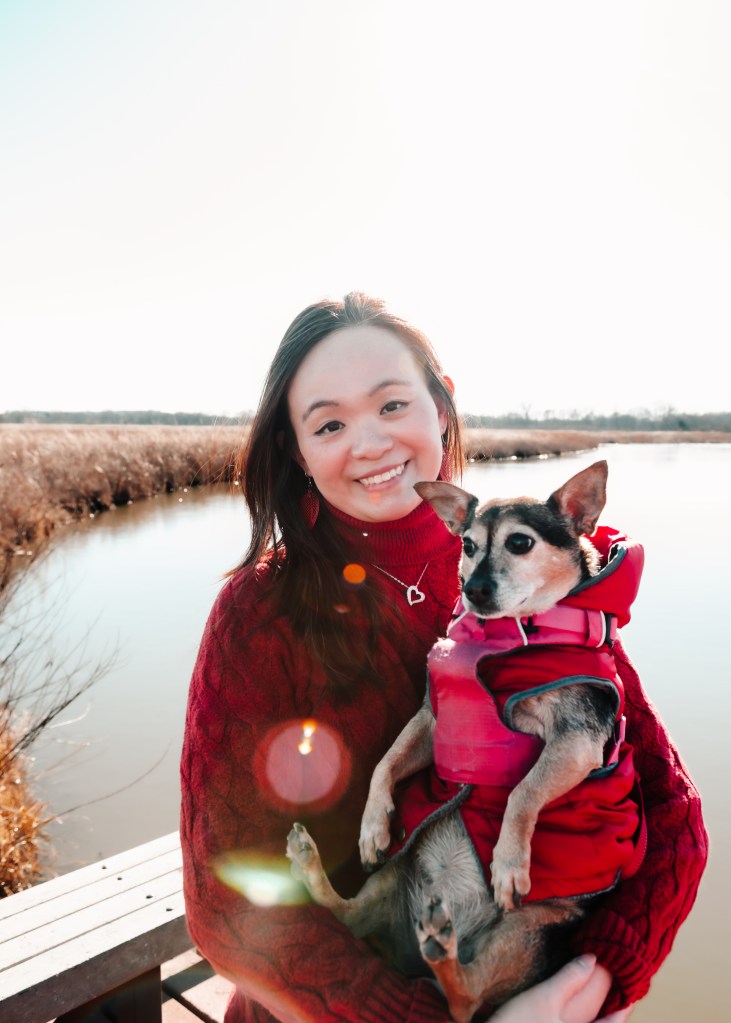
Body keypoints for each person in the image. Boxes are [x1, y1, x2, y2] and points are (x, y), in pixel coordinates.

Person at [180, 292, 707, 1023]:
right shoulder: (258, 615)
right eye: (328, 422)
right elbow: (225, 904)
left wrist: (587, 984)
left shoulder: (543, 585)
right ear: (293, 451)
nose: (368, 442)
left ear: (441, 406)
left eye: (391, 405)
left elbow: (670, 813)